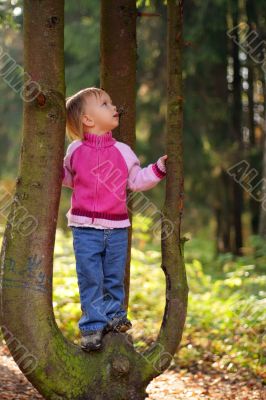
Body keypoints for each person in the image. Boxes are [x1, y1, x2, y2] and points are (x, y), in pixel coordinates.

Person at [62, 87, 167, 352]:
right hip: (84, 227)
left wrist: (157, 169)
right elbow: (67, 178)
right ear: (88, 119)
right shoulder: (75, 150)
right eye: (105, 104)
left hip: (117, 227)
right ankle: (92, 327)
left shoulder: (123, 150)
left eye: (111, 102)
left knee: (113, 276)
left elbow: (135, 181)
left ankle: (114, 317)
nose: (113, 107)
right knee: (90, 277)